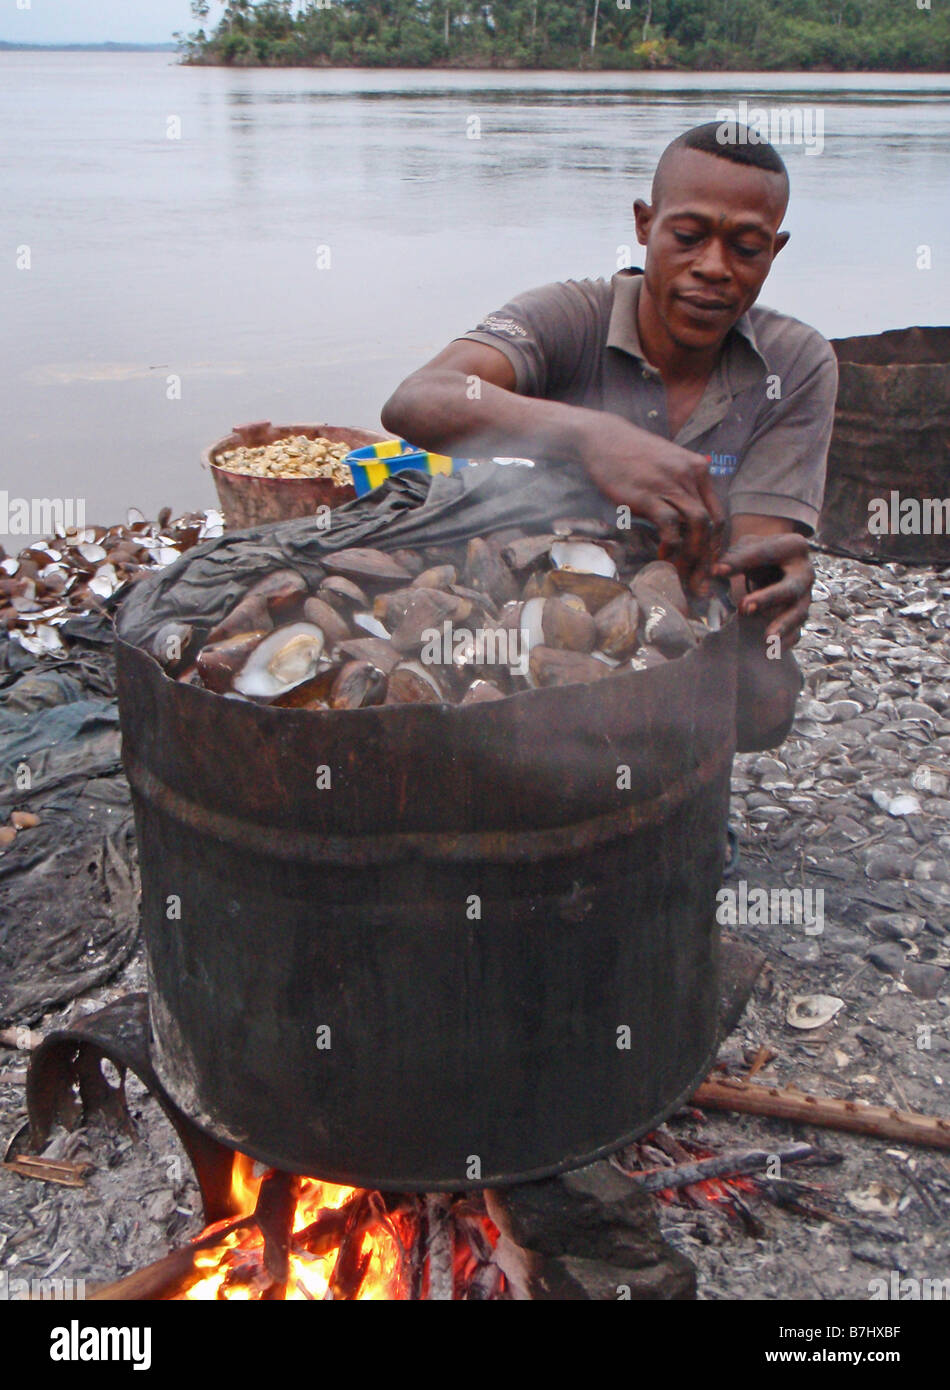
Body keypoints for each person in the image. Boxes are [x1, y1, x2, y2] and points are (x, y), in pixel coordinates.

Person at [382, 122, 838, 688]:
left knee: (765, 698)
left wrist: (769, 580)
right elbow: (416, 399)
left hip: (680, 608)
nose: (715, 267)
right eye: (689, 236)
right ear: (645, 225)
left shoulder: (796, 363)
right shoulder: (567, 317)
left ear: (775, 248)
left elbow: (751, 549)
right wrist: (590, 435)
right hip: (544, 592)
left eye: (746, 248)